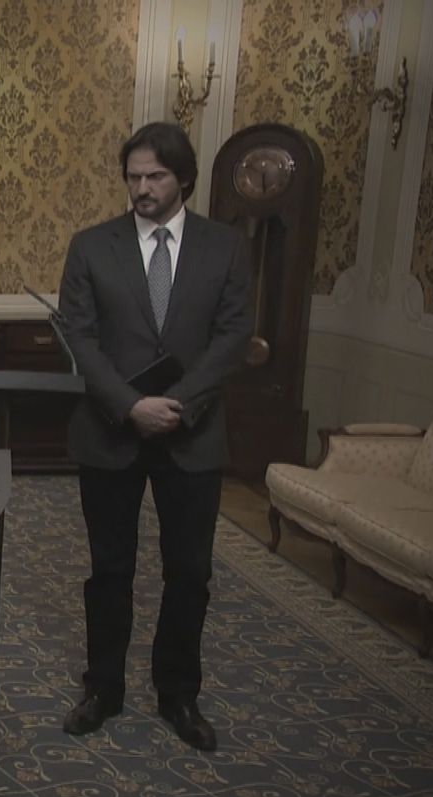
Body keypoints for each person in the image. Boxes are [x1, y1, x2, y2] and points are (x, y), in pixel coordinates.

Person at [56, 122, 253, 752]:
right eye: (133, 176)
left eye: (156, 177)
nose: (142, 188)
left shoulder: (225, 248)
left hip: (192, 435)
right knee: (109, 569)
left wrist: (180, 405)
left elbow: (232, 337)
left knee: (189, 572)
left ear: (184, 179)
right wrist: (130, 405)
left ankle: (179, 694)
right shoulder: (92, 247)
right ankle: (103, 688)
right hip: (111, 431)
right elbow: (78, 338)